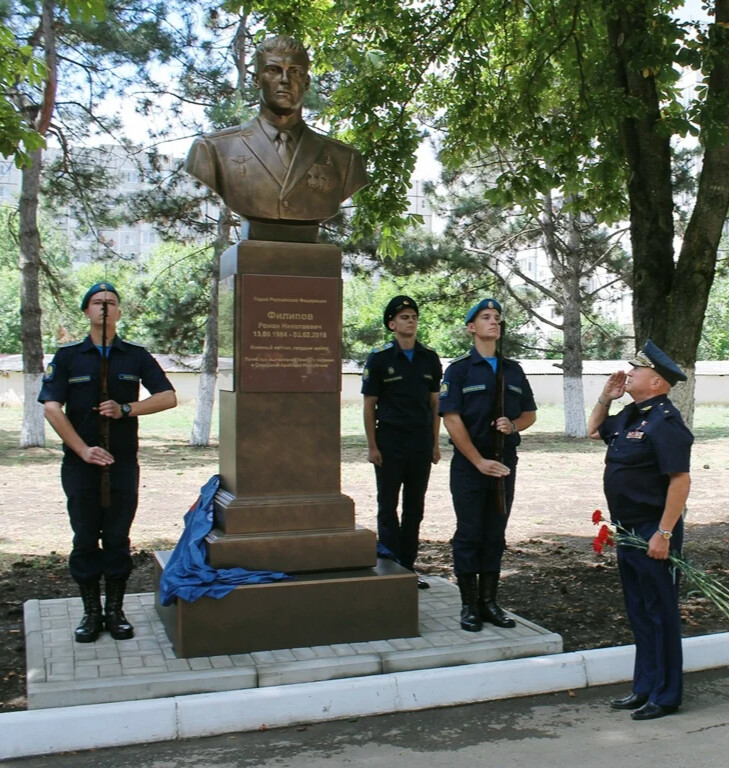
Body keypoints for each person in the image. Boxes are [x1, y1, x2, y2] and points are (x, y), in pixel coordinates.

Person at [38, 283, 177, 644]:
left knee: (117, 538)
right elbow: (52, 407)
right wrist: (83, 449)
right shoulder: (68, 357)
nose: (104, 307)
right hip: (80, 465)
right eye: (97, 302)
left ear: (118, 312)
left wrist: (127, 408)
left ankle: (115, 611)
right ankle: (90, 612)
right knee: (85, 538)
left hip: (123, 463)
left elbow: (167, 396)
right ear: (86, 311)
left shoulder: (135, 356)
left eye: (111, 303)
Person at [587, 339, 693, 721]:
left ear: (657, 382)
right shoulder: (632, 414)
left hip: (653, 530)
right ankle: (644, 687)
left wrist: (664, 533)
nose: (628, 373)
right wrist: (606, 396)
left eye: (638, 370)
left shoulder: (666, 423)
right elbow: (593, 430)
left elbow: (680, 481)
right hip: (628, 529)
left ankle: (666, 695)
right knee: (639, 610)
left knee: (660, 611)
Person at [185, 35, 368, 235]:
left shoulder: (345, 160)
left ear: (306, 82)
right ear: (256, 80)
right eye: (273, 70)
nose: (284, 80)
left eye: (295, 72)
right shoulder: (213, 150)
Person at [438, 299, 537, 631]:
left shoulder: (513, 370)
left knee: (495, 532)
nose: (494, 322)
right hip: (470, 464)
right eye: (485, 317)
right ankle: (468, 606)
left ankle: (489, 602)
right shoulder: (459, 370)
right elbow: (451, 419)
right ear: (471, 328)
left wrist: (514, 425)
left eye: (497, 318)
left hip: (504, 463)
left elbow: (529, 414)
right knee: (469, 533)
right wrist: (478, 461)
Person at [362, 296, 442, 589]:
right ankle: (389, 567)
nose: (410, 321)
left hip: (420, 441)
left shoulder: (429, 358)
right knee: (388, 505)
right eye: (404, 317)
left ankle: (408, 568)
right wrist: (373, 446)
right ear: (392, 325)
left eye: (413, 316)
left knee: (415, 507)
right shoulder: (380, 358)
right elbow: (370, 406)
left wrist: (435, 444)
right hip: (390, 440)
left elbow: (435, 405)